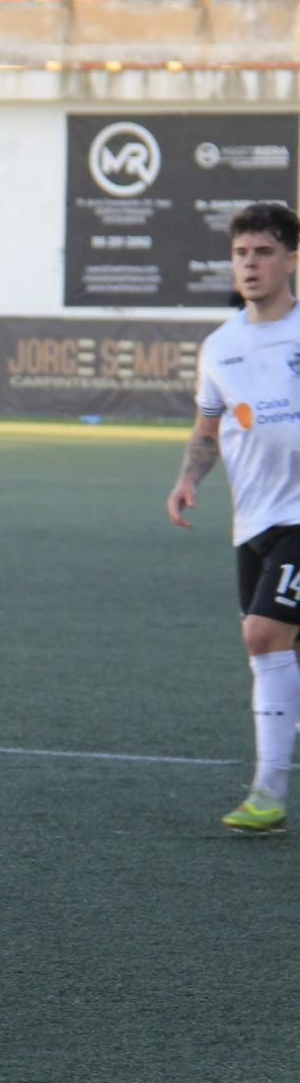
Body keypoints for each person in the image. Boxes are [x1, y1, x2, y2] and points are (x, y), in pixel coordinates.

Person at [167, 201, 300, 832]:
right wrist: (189, 478)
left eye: (264, 252)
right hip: (255, 522)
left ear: (292, 260)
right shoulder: (221, 346)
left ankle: (267, 795)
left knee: (263, 635)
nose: (250, 264)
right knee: (274, 652)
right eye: (242, 253)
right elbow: (207, 428)